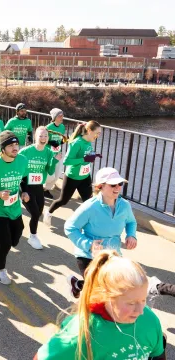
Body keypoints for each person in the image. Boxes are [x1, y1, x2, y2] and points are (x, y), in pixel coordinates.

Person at [34, 250, 166, 360]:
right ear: (106, 296)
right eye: (131, 303)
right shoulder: (81, 333)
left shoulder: (150, 320)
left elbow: (158, 355)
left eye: (143, 300)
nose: (141, 311)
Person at [64, 167, 138, 299]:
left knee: (111, 287)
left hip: (113, 254)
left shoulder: (125, 205)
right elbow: (70, 227)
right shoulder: (90, 207)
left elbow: (131, 222)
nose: (118, 187)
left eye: (120, 184)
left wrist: (131, 235)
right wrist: (89, 244)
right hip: (88, 255)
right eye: (113, 185)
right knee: (100, 292)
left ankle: (77, 285)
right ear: (100, 186)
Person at [0, 130, 29, 285]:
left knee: (17, 236)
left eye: (16, 144)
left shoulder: (22, 160)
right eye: (11, 145)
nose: (15, 148)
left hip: (15, 207)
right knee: (6, 243)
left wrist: (25, 192)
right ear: (2, 148)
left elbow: (24, 179)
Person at [43, 121, 102, 227]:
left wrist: (92, 156)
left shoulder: (89, 141)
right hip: (72, 177)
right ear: (89, 131)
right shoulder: (77, 143)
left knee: (88, 201)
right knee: (63, 201)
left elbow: (86, 155)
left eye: (99, 133)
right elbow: (67, 161)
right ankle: (48, 212)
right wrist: (84, 159)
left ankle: (88, 224)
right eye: (97, 133)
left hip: (85, 176)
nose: (98, 136)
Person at [19, 127, 62, 249]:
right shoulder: (26, 151)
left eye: (45, 136)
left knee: (38, 212)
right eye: (40, 136)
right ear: (35, 137)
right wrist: (22, 189)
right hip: (25, 184)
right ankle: (33, 236)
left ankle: (32, 235)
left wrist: (54, 161)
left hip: (38, 186)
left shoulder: (48, 152)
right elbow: (16, 166)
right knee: (35, 213)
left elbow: (50, 170)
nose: (43, 138)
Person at [43, 108, 67, 199]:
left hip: (58, 153)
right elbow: (42, 140)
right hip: (49, 154)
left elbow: (61, 139)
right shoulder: (48, 127)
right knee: (49, 173)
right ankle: (45, 190)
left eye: (62, 115)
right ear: (54, 117)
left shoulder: (62, 127)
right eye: (60, 116)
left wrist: (62, 141)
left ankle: (46, 188)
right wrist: (51, 142)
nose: (62, 117)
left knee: (57, 174)